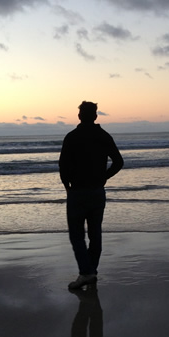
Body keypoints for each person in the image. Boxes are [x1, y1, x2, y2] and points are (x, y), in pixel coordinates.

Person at [59, 101, 124, 290]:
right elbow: (118, 162)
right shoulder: (103, 136)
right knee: (95, 233)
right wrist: (104, 177)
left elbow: (63, 166)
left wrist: (66, 186)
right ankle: (91, 272)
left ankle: (86, 273)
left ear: (79, 116)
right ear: (95, 116)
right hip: (96, 191)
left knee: (77, 235)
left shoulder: (72, 137)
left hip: (77, 191)